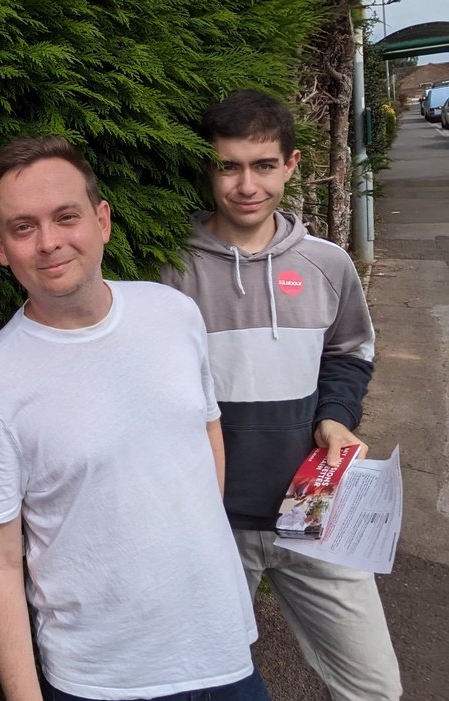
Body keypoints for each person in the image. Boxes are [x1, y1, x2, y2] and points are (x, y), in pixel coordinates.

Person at [0, 136, 263, 701]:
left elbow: (207, 429)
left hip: (223, 648)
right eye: (23, 227)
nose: (49, 242)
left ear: (102, 221)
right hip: (102, 678)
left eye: (66, 217)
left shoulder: (173, 313)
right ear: (1, 247)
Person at [160, 89, 401, 700]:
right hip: (213, 526)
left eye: (264, 165)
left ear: (291, 165)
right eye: (229, 165)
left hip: (314, 516)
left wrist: (337, 418)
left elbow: (350, 353)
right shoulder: (167, 272)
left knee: (376, 687)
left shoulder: (327, 264)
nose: (247, 184)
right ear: (208, 168)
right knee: (204, 687)